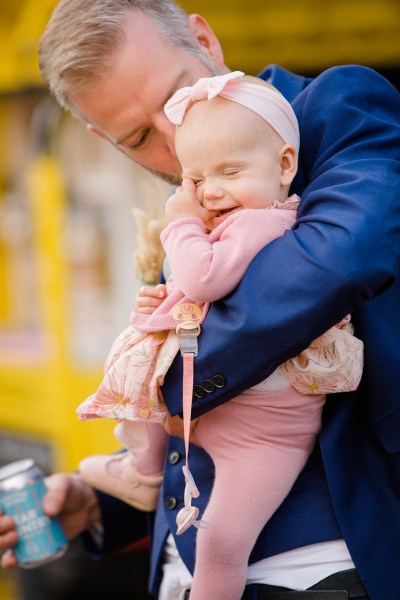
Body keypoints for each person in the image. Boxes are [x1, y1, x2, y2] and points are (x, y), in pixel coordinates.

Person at [0, 1, 399, 599]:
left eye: (179, 98)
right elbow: (211, 435)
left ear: (205, 41)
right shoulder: (188, 207)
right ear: (102, 137)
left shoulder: (337, 108)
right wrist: (100, 504)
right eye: (138, 137)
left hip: (325, 568)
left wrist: (153, 379)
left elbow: (339, 260)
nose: (177, 143)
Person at [75, 71, 363, 599]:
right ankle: (140, 467)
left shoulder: (264, 222)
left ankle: (141, 471)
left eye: (229, 171)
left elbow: (204, 277)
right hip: (222, 415)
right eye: (195, 179)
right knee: (150, 373)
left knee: (223, 541)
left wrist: (179, 222)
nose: (210, 192)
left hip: (265, 436)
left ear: (284, 166)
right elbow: (206, 298)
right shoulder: (229, 222)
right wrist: (163, 302)